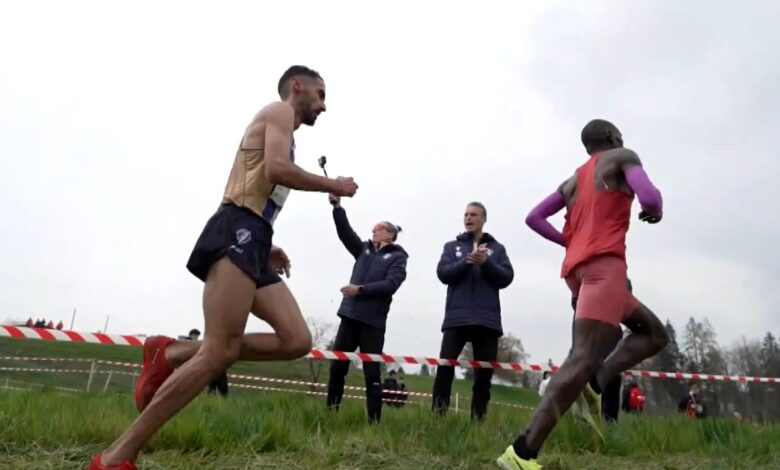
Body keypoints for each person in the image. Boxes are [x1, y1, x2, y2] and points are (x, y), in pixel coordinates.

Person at [89, 65, 359, 470]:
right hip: (236, 229)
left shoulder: (285, 133)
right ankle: (114, 458)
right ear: (297, 86)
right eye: (320, 94)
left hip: (253, 236)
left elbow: (256, 185)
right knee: (219, 352)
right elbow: (275, 170)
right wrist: (334, 185)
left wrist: (266, 244)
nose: (323, 106)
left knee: (296, 339)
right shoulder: (280, 111)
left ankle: (173, 352)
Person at [496, 119, 668, 469]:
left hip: (577, 272)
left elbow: (534, 217)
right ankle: (522, 452)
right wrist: (655, 210)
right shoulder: (623, 157)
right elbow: (650, 196)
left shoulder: (572, 181)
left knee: (653, 334)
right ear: (611, 137)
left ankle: (595, 383)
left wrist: (570, 241)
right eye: (619, 135)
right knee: (583, 356)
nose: (622, 138)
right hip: (605, 269)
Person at [325, 194, 408, 424]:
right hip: (350, 316)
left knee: (372, 373)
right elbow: (345, 233)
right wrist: (337, 207)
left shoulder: (398, 258)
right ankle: (331, 414)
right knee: (337, 368)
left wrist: (360, 290)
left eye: (378, 228)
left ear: (389, 234)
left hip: (373, 322)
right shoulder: (363, 249)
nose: (373, 231)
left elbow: (390, 285)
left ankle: (374, 421)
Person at [432, 202, 514, 421]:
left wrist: (486, 263)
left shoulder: (498, 249)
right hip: (456, 319)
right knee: (444, 370)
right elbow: (443, 273)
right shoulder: (452, 247)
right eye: (466, 214)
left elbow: (507, 277)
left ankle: (478, 423)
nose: (468, 218)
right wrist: (466, 262)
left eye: (474, 214)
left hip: (487, 321)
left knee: (483, 377)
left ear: (483, 219)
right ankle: (437, 420)